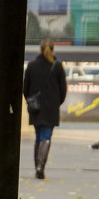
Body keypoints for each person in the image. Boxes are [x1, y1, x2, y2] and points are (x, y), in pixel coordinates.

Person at [22, 37, 67, 181]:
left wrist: (31, 100)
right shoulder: (58, 66)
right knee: (46, 137)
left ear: (39, 49)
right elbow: (63, 90)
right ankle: (40, 167)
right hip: (51, 108)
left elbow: (25, 88)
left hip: (36, 108)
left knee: (38, 136)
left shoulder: (32, 65)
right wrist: (56, 102)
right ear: (53, 50)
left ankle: (37, 166)